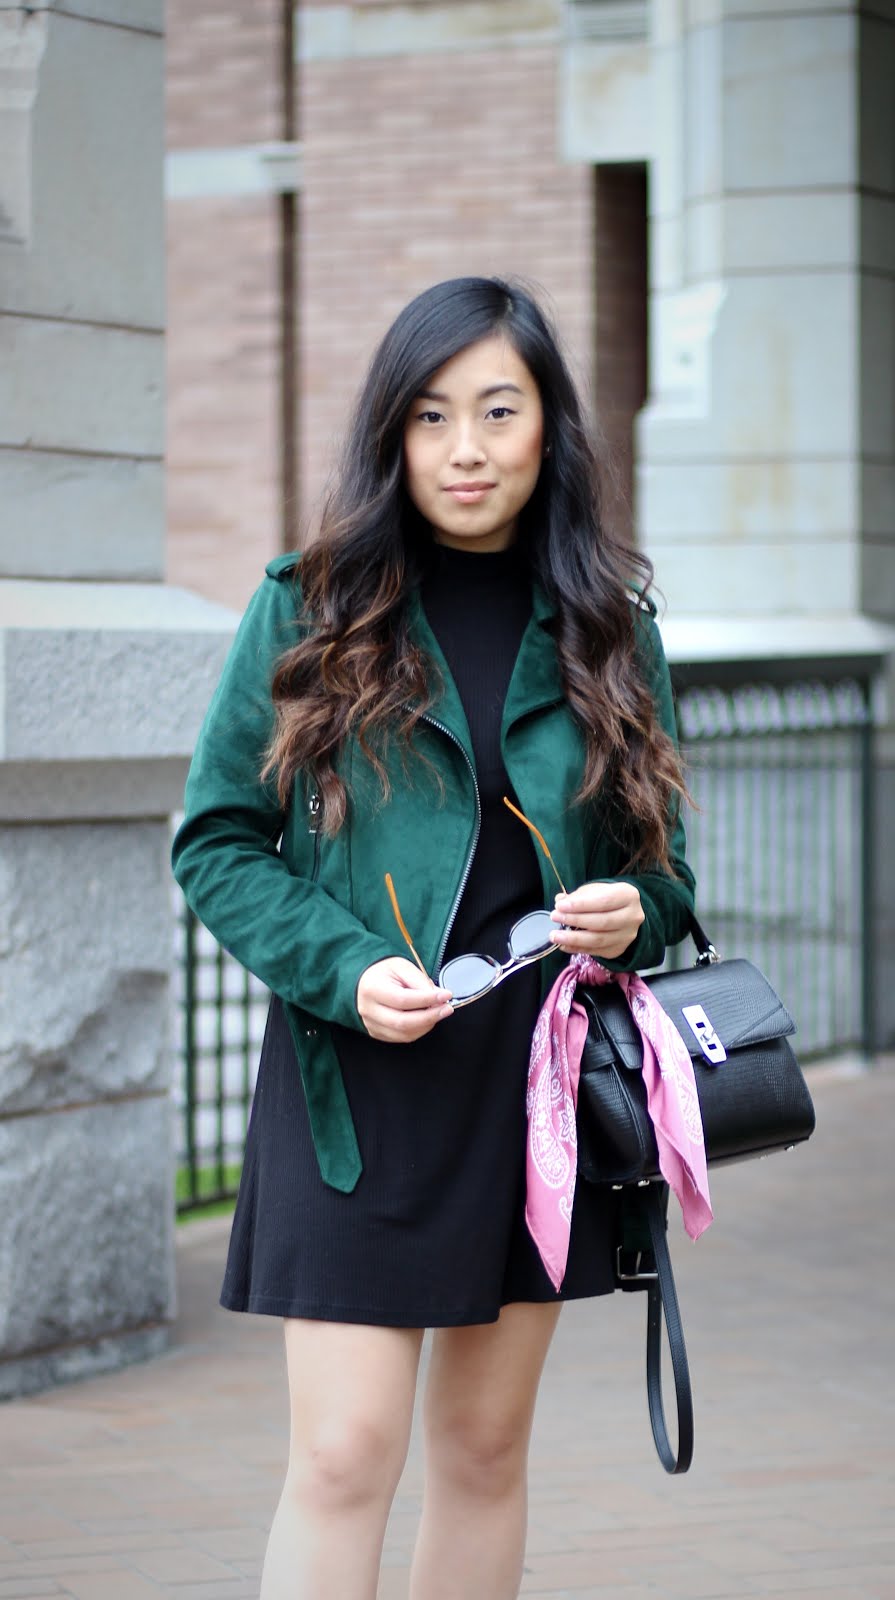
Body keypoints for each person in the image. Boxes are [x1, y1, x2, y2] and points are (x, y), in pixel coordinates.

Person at [172, 276, 696, 1600]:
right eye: (430, 414)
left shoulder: (611, 626)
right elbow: (217, 842)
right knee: (343, 1454)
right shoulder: (309, 605)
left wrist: (635, 914)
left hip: (537, 1092)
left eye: (499, 411)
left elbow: (667, 875)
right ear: (392, 434)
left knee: (482, 1448)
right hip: (355, 1084)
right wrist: (345, 967)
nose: (466, 448)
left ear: (548, 425)